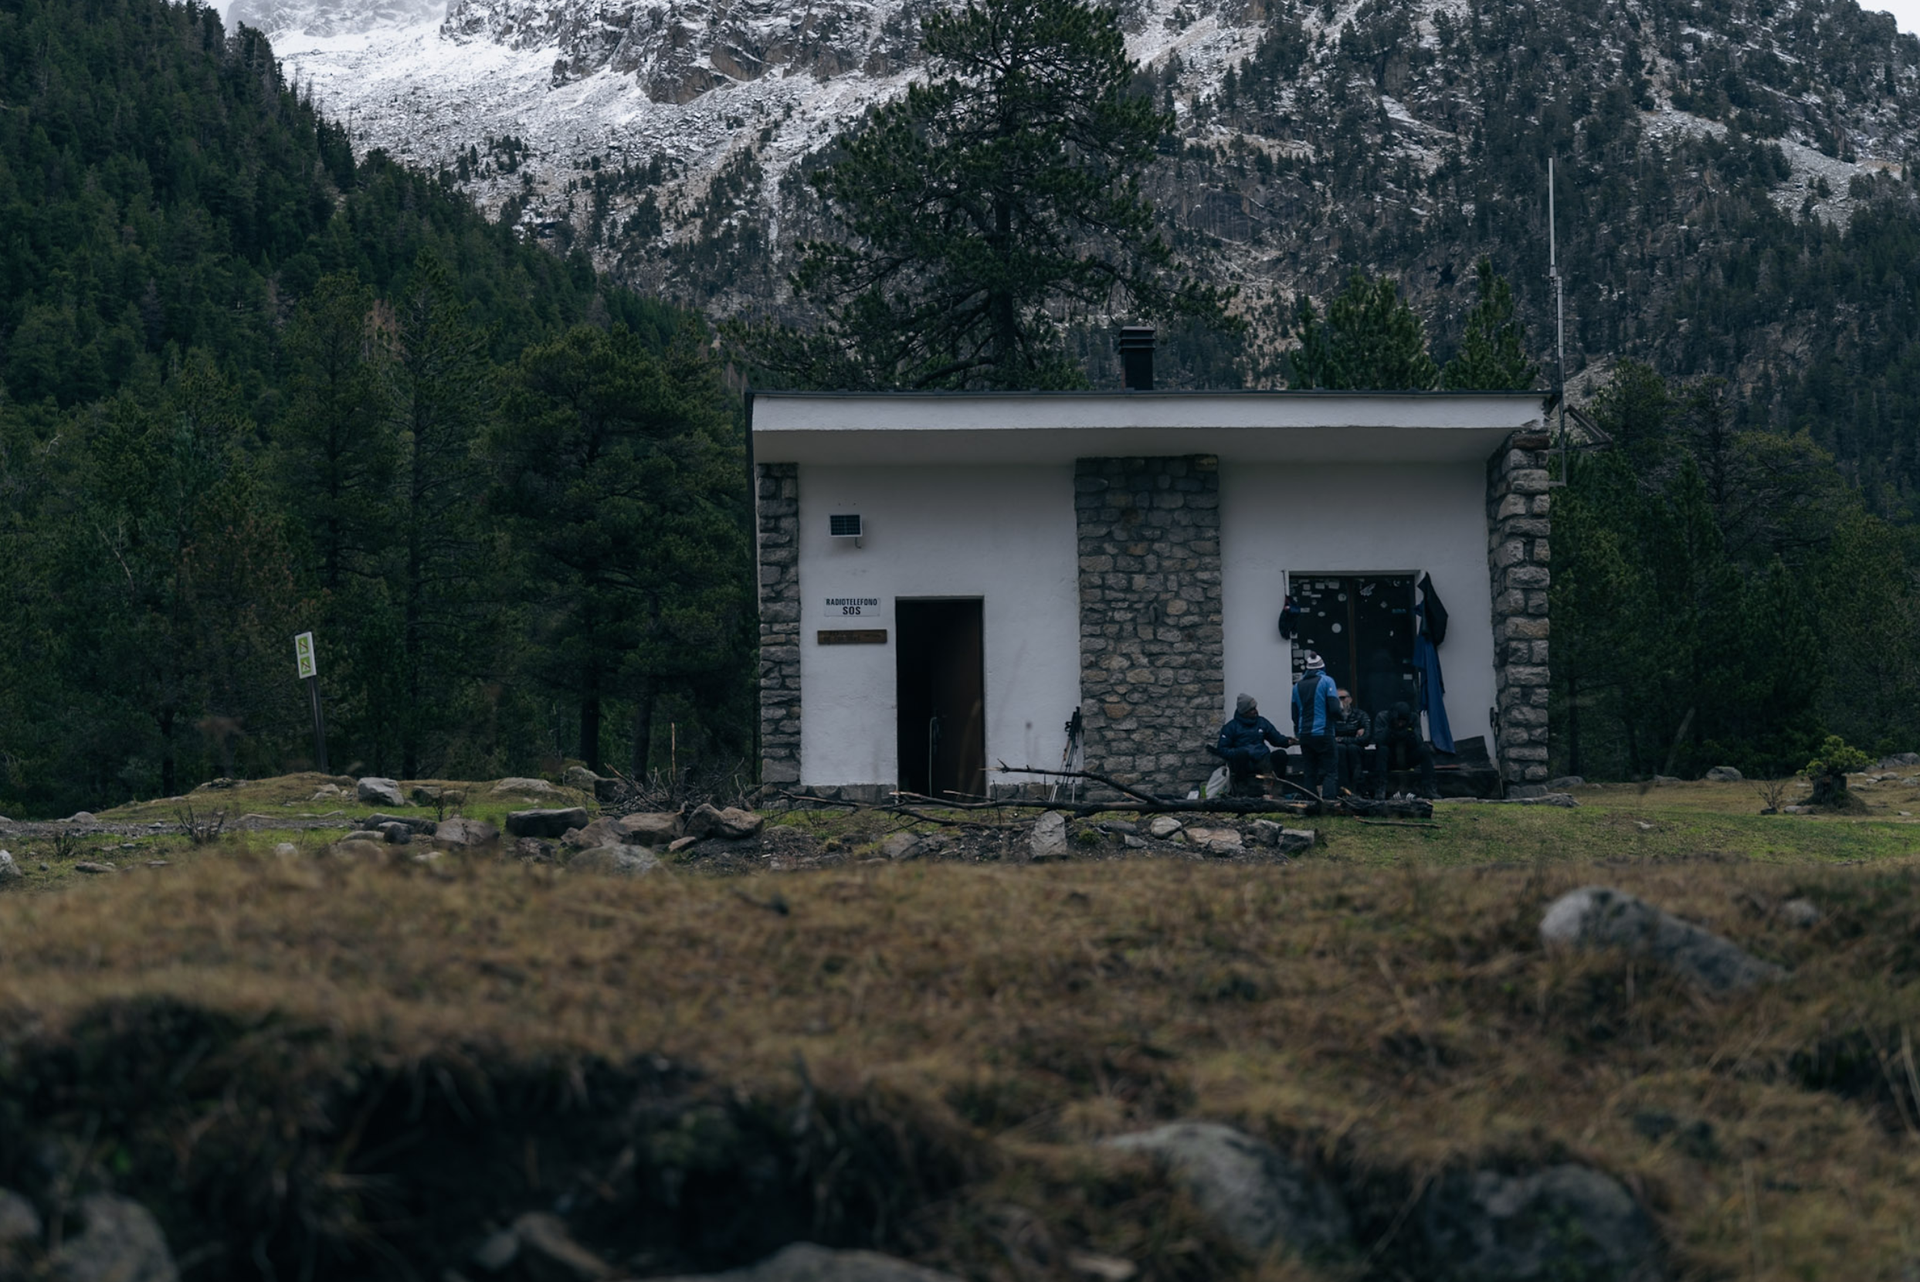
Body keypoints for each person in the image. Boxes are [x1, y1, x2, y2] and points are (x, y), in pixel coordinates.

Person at [1215, 693, 1291, 795]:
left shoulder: (1262, 722)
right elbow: (1222, 749)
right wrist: (1238, 753)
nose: (1255, 711)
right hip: (1245, 763)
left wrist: (1288, 741)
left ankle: (1277, 786)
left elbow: (1276, 739)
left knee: (1281, 755)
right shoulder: (1231, 727)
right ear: (1244, 712)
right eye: (1252, 709)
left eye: (1255, 708)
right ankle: (1242, 787)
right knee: (1240, 755)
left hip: (1264, 760)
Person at [1291, 652, 1340, 799]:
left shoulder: (1297, 686)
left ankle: (1310, 802)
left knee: (1310, 770)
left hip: (1305, 734)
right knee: (1330, 771)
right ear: (1322, 667)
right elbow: (1334, 708)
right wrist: (1340, 719)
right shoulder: (1327, 681)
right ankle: (1329, 802)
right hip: (1323, 733)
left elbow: (1294, 715)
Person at [1373, 701, 1437, 797]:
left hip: (1408, 756)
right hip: (1391, 758)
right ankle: (1380, 788)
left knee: (1424, 750)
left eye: (1402, 722)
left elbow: (1419, 741)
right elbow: (1378, 741)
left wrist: (1408, 733)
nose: (1400, 724)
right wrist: (1390, 730)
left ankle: (1428, 788)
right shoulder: (1382, 717)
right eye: (1398, 721)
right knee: (1382, 751)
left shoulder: (1413, 718)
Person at [1333, 687, 1372, 792]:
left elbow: (1366, 739)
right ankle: (1343, 790)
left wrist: (1341, 738)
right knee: (1341, 749)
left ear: (1350, 699)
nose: (1340, 701)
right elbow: (1329, 738)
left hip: (1356, 752)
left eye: (1342, 698)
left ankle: (1358, 789)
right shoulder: (1331, 717)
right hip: (1339, 752)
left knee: (1352, 749)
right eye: (1337, 699)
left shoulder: (1360, 715)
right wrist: (1352, 737)